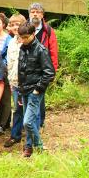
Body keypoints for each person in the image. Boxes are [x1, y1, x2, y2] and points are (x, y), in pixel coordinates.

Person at [17, 23, 55, 157]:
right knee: (30, 122)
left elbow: (49, 73)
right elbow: (21, 71)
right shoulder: (22, 48)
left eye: (26, 37)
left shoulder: (41, 50)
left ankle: (38, 146)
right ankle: (28, 148)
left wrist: (38, 89)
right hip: (24, 89)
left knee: (27, 122)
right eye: (21, 37)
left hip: (35, 90)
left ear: (33, 34)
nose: (23, 40)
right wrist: (21, 92)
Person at [28, 3, 58, 128]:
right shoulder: (24, 28)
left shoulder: (48, 31)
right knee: (27, 95)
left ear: (42, 14)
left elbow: (53, 51)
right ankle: (29, 120)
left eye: (38, 12)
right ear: (29, 14)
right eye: (33, 11)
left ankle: (39, 122)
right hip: (27, 68)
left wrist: (53, 70)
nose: (35, 14)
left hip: (42, 69)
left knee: (39, 95)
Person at [4, 14, 27, 148]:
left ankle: (32, 139)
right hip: (14, 82)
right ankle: (15, 136)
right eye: (12, 24)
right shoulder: (11, 42)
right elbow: (10, 64)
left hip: (27, 82)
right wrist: (11, 82)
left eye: (18, 24)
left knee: (29, 109)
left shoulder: (28, 41)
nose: (15, 27)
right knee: (17, 109)